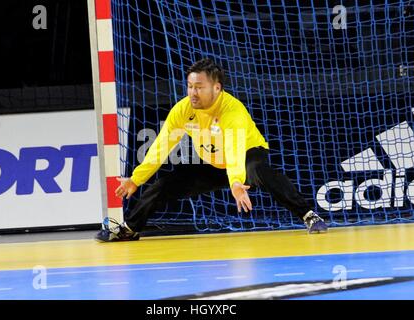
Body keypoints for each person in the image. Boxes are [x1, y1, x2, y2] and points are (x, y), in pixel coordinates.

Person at [96, 58, 328, 242]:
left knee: (261, 172)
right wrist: (136, 179)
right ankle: (130, 229)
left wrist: (236, 181)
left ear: (217, 88)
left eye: (199, 87)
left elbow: (235, 150)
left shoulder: (231, 110)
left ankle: (308, 215)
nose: (192, 93)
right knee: (166, 184)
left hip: (246, 155)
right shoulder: (182, 110)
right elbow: (160, 148)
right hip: (216, 162)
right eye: (189, 86)